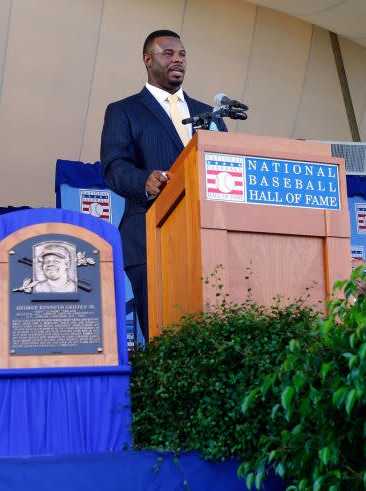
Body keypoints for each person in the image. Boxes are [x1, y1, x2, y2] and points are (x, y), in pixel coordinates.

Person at [100, 29, 227, 341]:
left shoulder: (208, 115)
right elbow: (115, 166)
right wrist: (145, 180)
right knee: (165, 334)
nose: (178, 60)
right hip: (149, 235)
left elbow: (226, 162)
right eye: (168, 53)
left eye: (182, 54)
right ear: (148, 60)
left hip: (207, 236)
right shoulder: (124, 111)